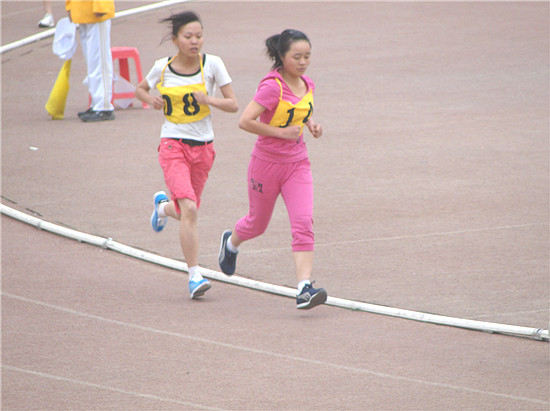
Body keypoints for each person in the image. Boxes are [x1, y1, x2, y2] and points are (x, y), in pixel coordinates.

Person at [218, 29, 327, 310]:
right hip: (266, 164)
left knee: (303, 222)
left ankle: (304, 288)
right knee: (257, 224)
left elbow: (299, 110)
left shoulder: (308, 84)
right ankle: (231, 243)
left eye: (307, 56)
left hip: (297, 164)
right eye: (297, 57)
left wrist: (311, 124)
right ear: (281, 56)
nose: (303, 62)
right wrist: (281, 133)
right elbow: (245, 121)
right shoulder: (271, 87)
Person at [136, 11, 238, 299]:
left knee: (184, 212)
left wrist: (209, 99)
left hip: (204, 147)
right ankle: (194, 275)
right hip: (173, 144)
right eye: (188, 36)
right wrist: (151, 99)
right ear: (175, 39)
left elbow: (233, 104)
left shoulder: (213, 64)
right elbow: (140, 89)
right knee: (190, 210)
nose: (195, 41)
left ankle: (162, 208)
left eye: (199, 36)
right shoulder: (163, 67)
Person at [65, 0, 115, 122]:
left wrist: (101, 5)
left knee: (100, 61)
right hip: (82, 10)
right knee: (92, 62)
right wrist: (70, 6)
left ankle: (104, 106)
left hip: (96, 11)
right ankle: (96, 103)